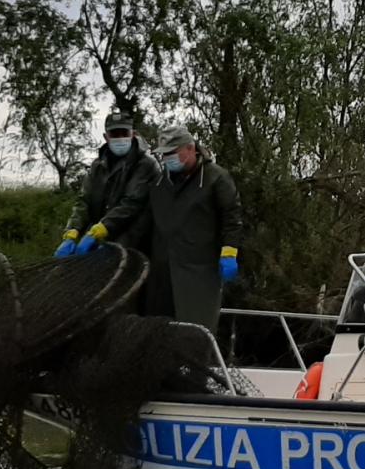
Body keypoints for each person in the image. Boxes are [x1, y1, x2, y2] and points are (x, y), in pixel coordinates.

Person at [142, 123, 244, 332]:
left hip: (200, 273)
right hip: (162, 274)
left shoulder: (216, 177)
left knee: (195, 332)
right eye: (164, 154)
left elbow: (232, 218)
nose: (168, 158)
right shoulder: (160, 182)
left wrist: (229, 252)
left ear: (190, 148)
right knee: (159, 333)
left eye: (173, 152)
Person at [54, 111, 160, 258]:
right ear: (106, 137)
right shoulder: (98, 166)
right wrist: (72, 231)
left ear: (133, 133)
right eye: (114, 134)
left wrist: (103, 229)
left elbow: (131, 204)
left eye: (124, 133)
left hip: (135, 244)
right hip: (101, 239)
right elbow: (84, 200)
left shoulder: (145, 164)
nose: (120, 138)